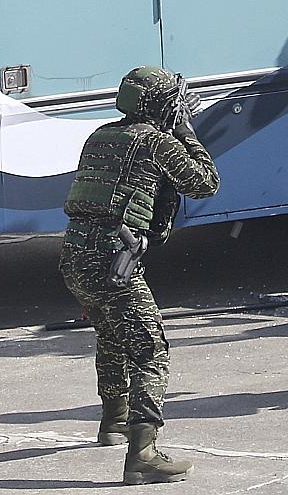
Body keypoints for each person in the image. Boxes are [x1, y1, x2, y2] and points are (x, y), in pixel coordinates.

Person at [59, 66, 219, 484]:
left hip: (76, 256)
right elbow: (205, 184)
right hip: (113, 259)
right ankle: (143, 454)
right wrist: (187, 132)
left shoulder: (100, 137)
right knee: (151, 350)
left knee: (112, 334)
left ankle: (113, 422)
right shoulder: (158, 143)